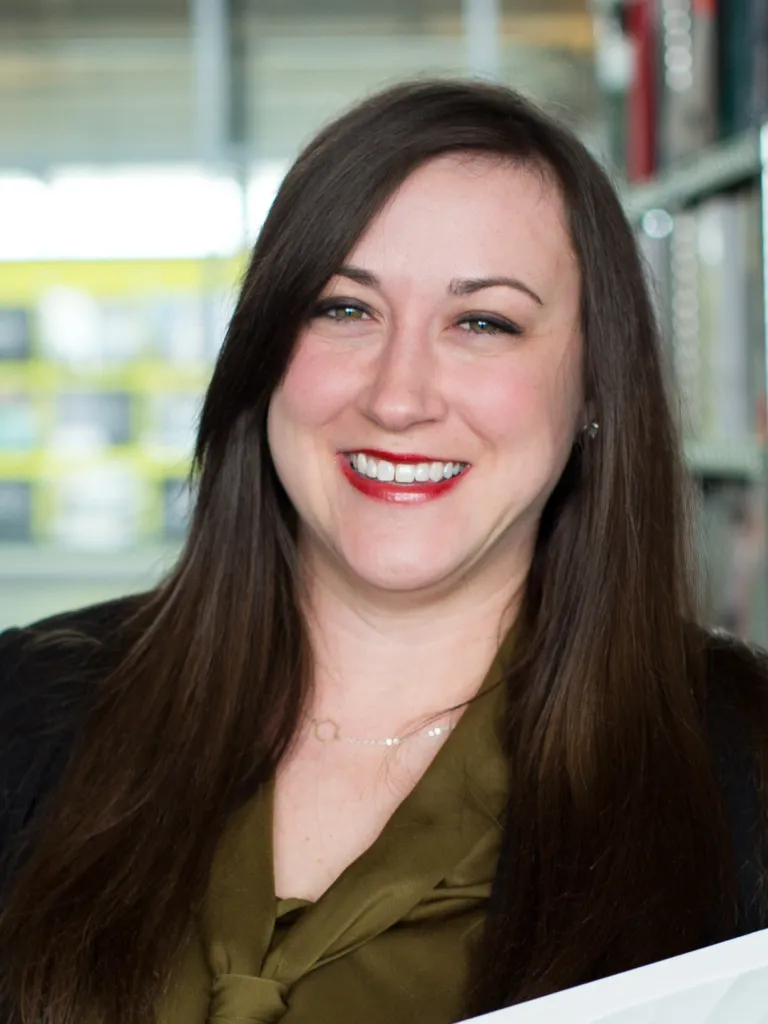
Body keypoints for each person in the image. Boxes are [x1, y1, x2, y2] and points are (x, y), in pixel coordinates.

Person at [0, 79, 766, 1024]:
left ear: (597, 387)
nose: (399, 397)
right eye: (344, 310)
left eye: (483, 322)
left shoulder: (743, 767)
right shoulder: (24, 709)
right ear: (263, 352)